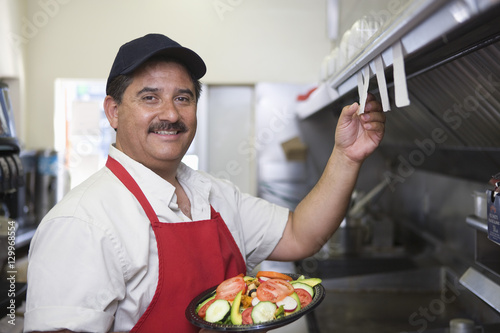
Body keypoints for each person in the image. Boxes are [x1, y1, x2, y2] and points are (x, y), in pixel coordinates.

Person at [24, 33, 385, 333]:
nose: (170, 114)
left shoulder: (212, 194)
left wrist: (346, 156)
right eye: (150, 97)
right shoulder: (82, 223)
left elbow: (299, 234)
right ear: (113, 111)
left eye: (183, 98)